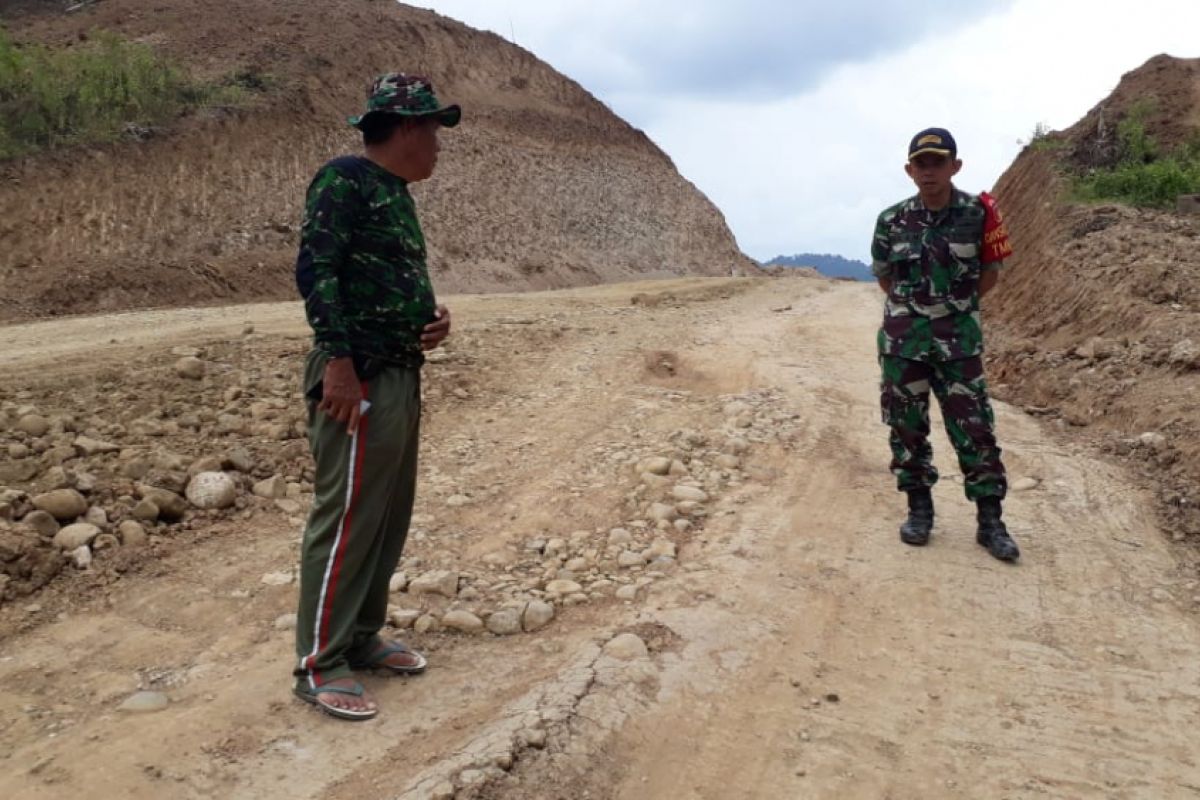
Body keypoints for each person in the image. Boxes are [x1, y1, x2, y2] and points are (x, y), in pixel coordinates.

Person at [291, 73, 460, 720]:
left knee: (386, 515)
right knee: (346, 518)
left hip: (397, 370)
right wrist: (338, 361)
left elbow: (378, 280)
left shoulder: (392, 193)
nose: (440, 147)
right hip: (356, 376)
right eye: (436, 132)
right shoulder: (344, 180)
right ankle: (319, 663)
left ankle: (359, 638)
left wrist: (432, 318)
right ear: (410, 127)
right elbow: (316, 270)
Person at [871, 127, 1020, 563]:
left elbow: (989, 274)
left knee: (975, 431)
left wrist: (954, 310)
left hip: (958, 345)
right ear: (909, 170)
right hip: (904, 345)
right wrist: (915, 312)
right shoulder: (891, 220)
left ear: (956, 166)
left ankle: (990, 522)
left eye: (938, 162)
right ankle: (920, 510)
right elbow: (885, 276)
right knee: (906, 428)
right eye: (922, 163)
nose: (929, 170)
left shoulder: (978, 214)